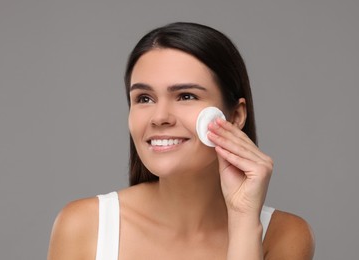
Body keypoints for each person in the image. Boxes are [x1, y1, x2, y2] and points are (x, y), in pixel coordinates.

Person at [47, 22, 315, 259]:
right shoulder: (84, 225)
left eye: (186, 96)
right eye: (144, 99)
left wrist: (244, 220)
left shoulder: (285, 235)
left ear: (235, 116)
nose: (159, 117)